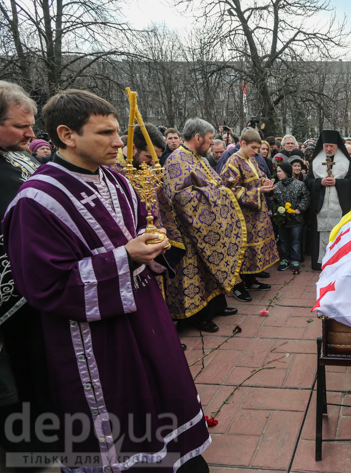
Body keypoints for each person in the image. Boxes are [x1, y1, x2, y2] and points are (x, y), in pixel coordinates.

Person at [3, 89, 211, 471]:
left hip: (146, 317)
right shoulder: (36, 200)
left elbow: (139, 231)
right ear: (67, 135)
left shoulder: (118, 182)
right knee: (120, 427)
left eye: (117, 131)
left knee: (165, 402)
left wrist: (155, 245)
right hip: (94, 340)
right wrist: (126, 256)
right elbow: (43, 285)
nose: (119, 142)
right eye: (105, 134)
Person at [0, 82, 53, 454]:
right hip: (9, 295)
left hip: (34, 286)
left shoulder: (18, 155)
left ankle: (40, 439)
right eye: (21, 126)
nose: (31, 134)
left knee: (39, 366)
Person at [162, 118, 244, 333]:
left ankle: (215, 308)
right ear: (197, 138)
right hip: (188, 232)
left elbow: (211, 182)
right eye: (209, 140)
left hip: (205, 228)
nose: (211, 144)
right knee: (194, 275)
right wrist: (217, 194)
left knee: (208, 271)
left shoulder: (198, 157)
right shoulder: (176, 159)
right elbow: (180, 198)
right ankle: (195, 318)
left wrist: (222, 187)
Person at [220, 129, 278, 301]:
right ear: (242, 143)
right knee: (240, 250)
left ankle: (251, 279)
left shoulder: (251, 159)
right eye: (253, 148)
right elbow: (229, 190)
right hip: (240, 216)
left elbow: (259, 176)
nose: (256, 152)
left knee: (253, 248)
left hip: (255, 214)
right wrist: (259, 190)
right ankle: (237, 286)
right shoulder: (232, 162)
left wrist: (265, 182)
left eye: (258, 149)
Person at [305, 129, 351, 271]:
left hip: (339, 206)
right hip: (320, 207)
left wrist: (338, 183)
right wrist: (320, 182)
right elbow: (308, 181)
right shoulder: (316, 161)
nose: (328, 149)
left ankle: (338, 261)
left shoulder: (345, 161)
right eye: (326, 145)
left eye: (332, 146)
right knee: (320, 233)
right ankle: (320, 263)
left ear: (337, 146)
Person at [274, 162, 310, 273]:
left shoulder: (299, 184)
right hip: (282, 220)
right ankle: (285, 259)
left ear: (287, 172)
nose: (278, 174)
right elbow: (273, 200)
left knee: (296, 240)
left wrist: (299, 209)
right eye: (277, 171)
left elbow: (306, 197)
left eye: (280, 171)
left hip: (296, 219)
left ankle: (295, 260)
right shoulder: (277, 186)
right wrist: (276, 212)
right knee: (284, 240)